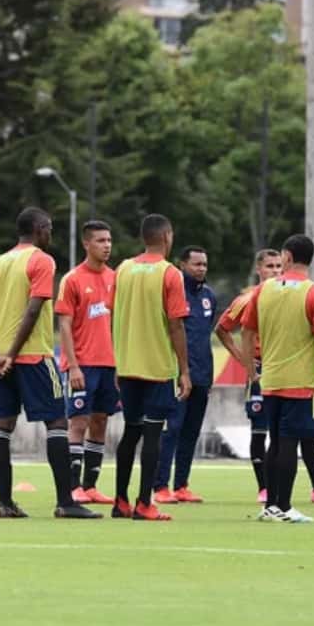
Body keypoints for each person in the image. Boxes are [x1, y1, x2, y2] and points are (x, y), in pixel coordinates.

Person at [0, 207, 98, 520]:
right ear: (40, 229)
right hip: (32, 357)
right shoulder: (42, 260)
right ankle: (65, 502)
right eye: (50, 228)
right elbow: (32, 311)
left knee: (3, 426)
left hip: (2, 362)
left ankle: (5, 503)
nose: (51, 234)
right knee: (57, 422)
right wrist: (13, 354)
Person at [241, 234, 314, 524]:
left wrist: (249, 369)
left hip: (270, 379)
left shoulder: (263, 290)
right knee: (289, 444)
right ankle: (284, 506)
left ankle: (270, 504)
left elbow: (245, 331)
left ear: (288, 257)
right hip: (300, 382)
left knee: (275, 441)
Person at [112, 214, 191, 521]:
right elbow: (176, 325)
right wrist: (184, 370)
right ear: (167, 236)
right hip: (157, 367)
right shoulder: (169, 274)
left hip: (128, 365)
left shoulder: (123, 270)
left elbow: (112, 314)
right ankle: (145, 502)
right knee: (154, 434)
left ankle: (120, 500)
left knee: (130, 433)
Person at [56, 220, 118, 506]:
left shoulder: (115, 278)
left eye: (108, 240)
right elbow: (65, 326)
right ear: (86, 244)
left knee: (101, 420)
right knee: (78, 421)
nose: (106, 246)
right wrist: (74, 365)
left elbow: (118, 322)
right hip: (83, 364)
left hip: (109, 364)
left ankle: (91, 485)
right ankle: (73, 486)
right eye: (100, 241)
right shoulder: (72, 279)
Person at [216, 249, 282, 503]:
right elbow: (222, 329)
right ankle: (262, 487)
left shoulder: (290, 296)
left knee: (282, 430)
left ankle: (280, 486)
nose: (275, 271)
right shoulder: (247, 299)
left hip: (283, 368)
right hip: (259, 371)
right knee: (259, 429)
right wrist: (243, 359)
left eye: (279, 266)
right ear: (259, 270)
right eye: (270, 267)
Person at [153, 246, 216, 504]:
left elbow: (204, 335)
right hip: (178, 375)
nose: (201, 269)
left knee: (191, 431)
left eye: (204, 264)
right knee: (172, 430)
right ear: (181, 265)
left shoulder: (209, 297)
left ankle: (182, 485)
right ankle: (160, 487)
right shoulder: (171, 293)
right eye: (196, 264)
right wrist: (180, 371)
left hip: (202, 375)